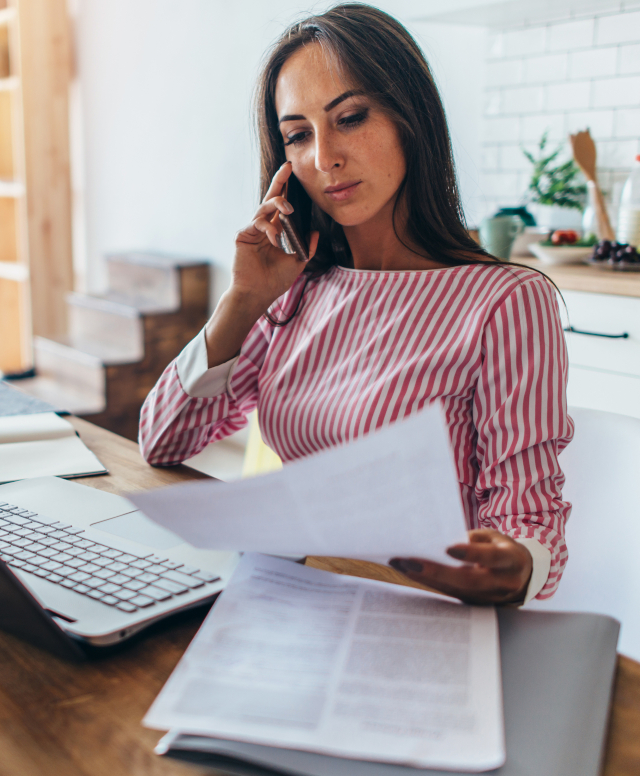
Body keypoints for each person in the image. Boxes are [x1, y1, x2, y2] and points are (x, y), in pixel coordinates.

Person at [138, 4, 572, 605]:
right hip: (292, 599)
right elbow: (162, 442)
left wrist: (517, 564)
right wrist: (242, 302)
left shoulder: (505, 302)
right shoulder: (297, 289)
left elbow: (528, 514)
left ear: (409, 117)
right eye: (298, 134)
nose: (324, 157)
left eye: (350, 117)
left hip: (416, 612)